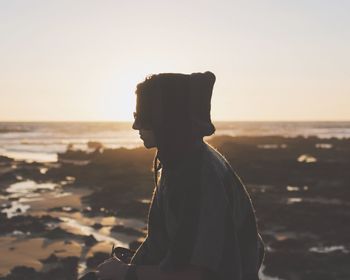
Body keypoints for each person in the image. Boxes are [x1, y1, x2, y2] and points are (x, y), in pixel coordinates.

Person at [96, 71, 265, 280]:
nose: (135, 125)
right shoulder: (178, 161)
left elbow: (194, 274)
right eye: (135, 116)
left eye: (143, 116)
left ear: (167, 119)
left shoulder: (198, 176)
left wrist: (126, 273)